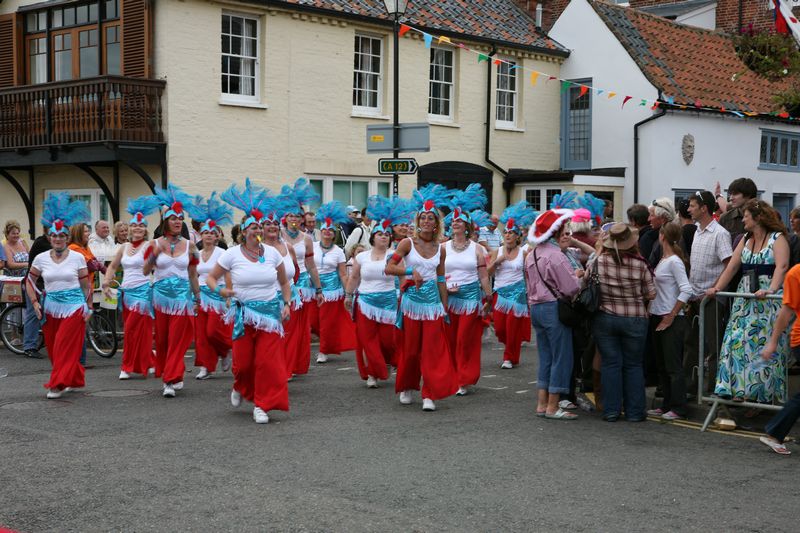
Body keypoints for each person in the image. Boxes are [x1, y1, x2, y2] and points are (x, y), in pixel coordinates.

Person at [208, 185, 292, 424]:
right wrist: (221, 290)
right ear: (244, 232)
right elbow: (211, 278)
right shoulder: (231, 254)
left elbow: (284, 282)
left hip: (269, 316)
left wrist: (286, 303)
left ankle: (261, 405)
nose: (258, 230)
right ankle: (240, 386)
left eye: (260, 226)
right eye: (253, 227)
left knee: (268, 364)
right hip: (244, 315)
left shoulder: (273, 254)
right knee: (244, 365)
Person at [385, 184, 459, 411]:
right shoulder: (408, 243)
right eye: (423, 217)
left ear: (437, 223)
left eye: (431, 218)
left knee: (432, 351)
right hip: (412, 303)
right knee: (411, 349)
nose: (427, 221)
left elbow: (441, 280)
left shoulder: (441, 248)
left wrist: (444, 307)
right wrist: (409, 272)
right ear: (418, 221)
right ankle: (408, 386)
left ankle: (430, 394)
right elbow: (389, 268)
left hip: (433, 305)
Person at [708, 200, 790, 404]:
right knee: (736, 343)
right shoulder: (745, 238)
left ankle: (762, 395)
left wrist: (771, 290)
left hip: (768, 300)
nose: (742, 219)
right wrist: (717, 287)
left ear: (758, 217)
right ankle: (735, 389)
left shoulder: (777, 239)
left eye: (746, 216)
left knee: (762, 346)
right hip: (745, 298)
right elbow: (732, 267)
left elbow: (782, 267)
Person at [25, 193, 91, 399]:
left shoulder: (78, 257)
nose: (58, 238)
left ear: (67, 237)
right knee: (53, 350)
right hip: (50, 308)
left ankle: (57, 384)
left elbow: (85, 284)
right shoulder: (41, 258)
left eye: (62, 235)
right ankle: (72, 378)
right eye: (54, 235)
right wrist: (35, 302)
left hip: (73, 307)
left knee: (64, 344)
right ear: (49, 236)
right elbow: (29, 280)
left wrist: (89, 306)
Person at [591, 223, 656, 422]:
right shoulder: (640, 263)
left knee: (611, 364)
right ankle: (635, 412)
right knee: (633, 364)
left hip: (606, 317)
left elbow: (586, 282)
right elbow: (651, 293)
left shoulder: (599, 261)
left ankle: (611, 410)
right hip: (635, 318)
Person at [345, 196, 411, 388]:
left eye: (387, 234)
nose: (383, 236)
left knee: (387, 341)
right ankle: (372, 373)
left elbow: (402, 277)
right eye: (380, 233)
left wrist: (404, 294)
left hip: (389, 301)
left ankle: (388, 361)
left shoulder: (395, 255)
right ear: (373, 237)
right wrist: (348, 296)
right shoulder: (363, 256)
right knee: (368, 340)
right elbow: (354, 277)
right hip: (365, 301)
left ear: (390, 237)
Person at [143, 185, 201, 398]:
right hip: (160, 299)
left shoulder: (190, 246)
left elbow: (193, 274)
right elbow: (146, 270)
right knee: (164, 340)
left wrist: (198, 297)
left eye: (180, 219)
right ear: (165, 221)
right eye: (173, 218)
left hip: (182, 300)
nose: (177, 222)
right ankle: (173, 374)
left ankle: (170, 378)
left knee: (178, 339)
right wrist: (154, 254)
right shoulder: (154, 243)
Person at [525, 209, 581, 420]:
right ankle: (553, 406)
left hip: (536, 308)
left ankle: (541, 403)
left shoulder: (532, 254)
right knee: (561, 357)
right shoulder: (556, 256)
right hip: (553, 308)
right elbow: (571, 288)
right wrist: (578, 277)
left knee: (546, 357)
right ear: (555, 232)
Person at [102, 199, 158, 380]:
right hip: (126, 293)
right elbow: (112, 266)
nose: (137, 228)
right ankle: (149, 361)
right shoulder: (124, 247)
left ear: (145, 229)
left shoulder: (150, 245)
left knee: (133, 329)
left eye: (141, 225)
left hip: (143, 291)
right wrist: (106, 282)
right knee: (136, 330)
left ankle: (127, 366)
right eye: (134, 225)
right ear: (130, 228)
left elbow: (153, 266)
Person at [443, 193, 493, 396]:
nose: (456, 223)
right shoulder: (443, 247)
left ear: (467, 226)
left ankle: (464, 379)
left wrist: (489, 297)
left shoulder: (477, 249)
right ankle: (453, 377)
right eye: (453, 220)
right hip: (448, 298)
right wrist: (444, 287)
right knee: (451, 340)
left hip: (470, 299)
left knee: (465, 340)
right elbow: (436, 273)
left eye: (460, 221)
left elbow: (483, 276)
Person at [684, 190, 732, 394]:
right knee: (691, 344)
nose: (688, 209)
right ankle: (690, 388)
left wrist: (716, 289)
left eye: (692, 205)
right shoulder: (696, 230)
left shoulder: (720, 233)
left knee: (713, 347)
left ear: (704, 208)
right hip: (694, 298)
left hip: (711, 299)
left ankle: (713, 390)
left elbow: (729, 265)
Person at [647, 224, 693, 420]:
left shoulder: (674, 261)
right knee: (662, 365)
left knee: (673, 366)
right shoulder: (664, 259)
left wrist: (673, 314)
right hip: (658, 315)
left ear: (662, 236)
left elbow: (686, 289)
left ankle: (679, 407)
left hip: (670, 318)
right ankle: (666, 404)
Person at [281, 178, 323, 378]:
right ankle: (282, 362)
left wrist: (319, 289)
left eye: (297, 216)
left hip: (302, 284)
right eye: (291, 216)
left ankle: (293, 364)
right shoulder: (277, 235)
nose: (294, 219)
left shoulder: (307, 239)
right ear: (285, 218)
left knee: (298, 327)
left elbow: (311, 265)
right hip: (281, 282)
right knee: (282, 324)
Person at [758, 263, 800, 455]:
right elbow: (786, 311)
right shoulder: (795, 273)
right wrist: (773, 342)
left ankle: (775, 433)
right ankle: (774, 433)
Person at [488, 201, 535, 369]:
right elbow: (488, 273)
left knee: (512, 327)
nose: (507, 235)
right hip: (500, 293)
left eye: (511, 233)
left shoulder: (524, 252)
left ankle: (509, 357)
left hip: (518, 293)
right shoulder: (497, 252)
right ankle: (510, 350)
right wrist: (497, 263)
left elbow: (531, 272)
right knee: (500, 329)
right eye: (505, 232)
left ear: (517, 237)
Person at [192, 193, 234, 380]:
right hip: (201, 295)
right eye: (205, 233)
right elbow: (193, 275)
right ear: (201, 235)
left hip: (218, 295)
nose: (208, 236)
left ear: (217, 236)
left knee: (213, 331)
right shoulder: (197, 253)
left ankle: (225, 350)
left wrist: (228, 296)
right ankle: (206, 366)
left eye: (212, 233)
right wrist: (193, 296)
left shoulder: (222, 253)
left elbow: (227, 274)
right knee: (201, 335)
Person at [313, 201, 357, 363]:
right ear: (321, 231)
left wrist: (348, 294)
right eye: (325, 230)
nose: (327, 233)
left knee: (326, 321)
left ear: (334, 234)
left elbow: (343, 274)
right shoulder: (312, 246)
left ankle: (323, 350)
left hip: (331, 290)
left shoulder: (338, 252)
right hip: (312, 287)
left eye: (331, 231)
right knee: (312, 321)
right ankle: (328, 342)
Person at [22, 227, 51, 358]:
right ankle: (29, 346)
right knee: (34, 313)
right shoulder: (42, 243)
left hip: (45, 284)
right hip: (34, 283)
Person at [718, 177, 758, 243]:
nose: (731, 198)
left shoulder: (762, 216)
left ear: (748, 195)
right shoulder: (725, 218)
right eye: (730, 194)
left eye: (735, 194)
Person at [645, 198, 676, 267]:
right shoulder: (662, 234)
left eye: (652, 215)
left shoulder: (669, 237)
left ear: (662, 218)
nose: (648, 219)